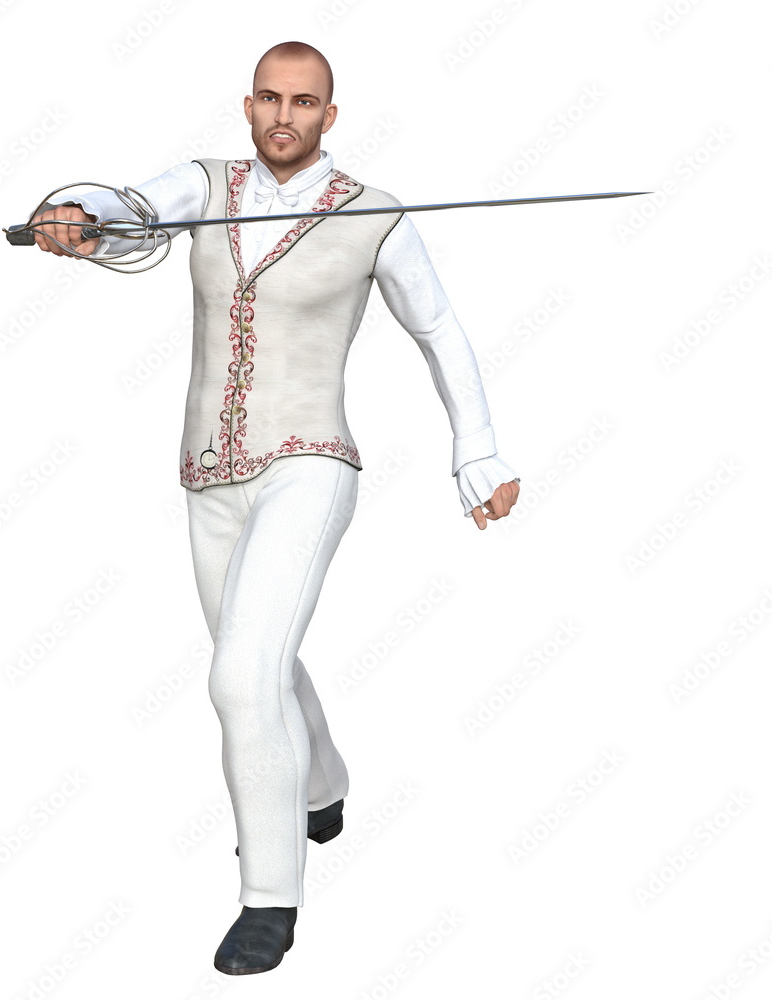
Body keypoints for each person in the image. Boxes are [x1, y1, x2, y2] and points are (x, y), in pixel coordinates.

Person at [28, 40, 520, 975]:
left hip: (310, 464)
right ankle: (321, 786)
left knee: (240, 679)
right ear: (248, 105)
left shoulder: (375, 214)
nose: (283, 116)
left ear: (330, 115)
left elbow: (439, 329)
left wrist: (478, 450)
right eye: (269, 98)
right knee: (260, 660)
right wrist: (77, 217)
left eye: (303, 102)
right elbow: (132, 209)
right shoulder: (206, 183)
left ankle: (269, 900)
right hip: (207, 475)